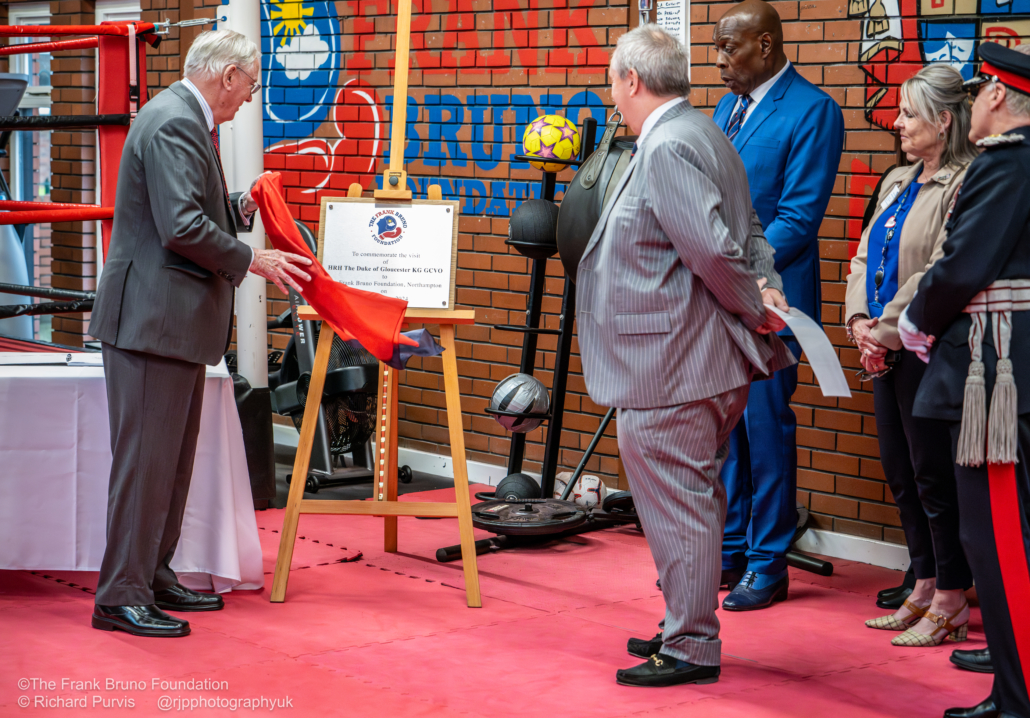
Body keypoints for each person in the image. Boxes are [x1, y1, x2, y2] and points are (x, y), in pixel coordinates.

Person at [576, 25, 795, 687]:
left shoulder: (669, 144)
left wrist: (757, 306)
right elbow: (749, 232)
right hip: (689, 359)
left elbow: (711, 251)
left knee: (682, 504)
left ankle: (693, 643)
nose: (612, 92)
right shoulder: (706, 133)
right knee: (689, 500)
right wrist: (767, 286)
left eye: (614, 80)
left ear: (631, 82)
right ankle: (683, 623)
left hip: (672, 364)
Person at [88, 30, 312, 638]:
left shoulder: (183, 117)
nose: (248, 100)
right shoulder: (174, 122)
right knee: (145, 465)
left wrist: (238, 204)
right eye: (251, 85)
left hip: (169, 324)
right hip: (151, 323)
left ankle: (152, 574)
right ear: (227, 76)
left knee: (170, 465)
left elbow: (190, 207)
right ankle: (120, 595)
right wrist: (253, 259)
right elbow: (181, 225)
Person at [900, 41, 1030, 718]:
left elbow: (957, 267)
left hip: (998, 371)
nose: (972, 104)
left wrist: (915, 322)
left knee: (1001, 541)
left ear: (999, 96)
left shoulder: (1008, 165)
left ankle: (1021, 697)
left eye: (978, 93)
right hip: (1006, 366)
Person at [711, 0, 845, 610]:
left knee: (765, 432)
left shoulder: (814, 111)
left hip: (771, 299)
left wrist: (738, 271)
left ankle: (768, 563)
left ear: (765, 46)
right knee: (727, 431)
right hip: (719, 297)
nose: (718, 62)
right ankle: (732, 548)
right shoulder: (724, 109)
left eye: (728, 48)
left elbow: (800, 216)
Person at [845, 64, 977, 647]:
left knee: (933, 479)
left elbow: (939, 269)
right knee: (901, 476)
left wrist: (886, 330)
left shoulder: (964, 182)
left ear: (943, 121)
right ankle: (922, 586)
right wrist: (857, 323)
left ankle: (952, 597)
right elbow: (860, 256)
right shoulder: (898, 179)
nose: (896, 123)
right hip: (885, 349)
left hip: (928, 351)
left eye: (909, 114)